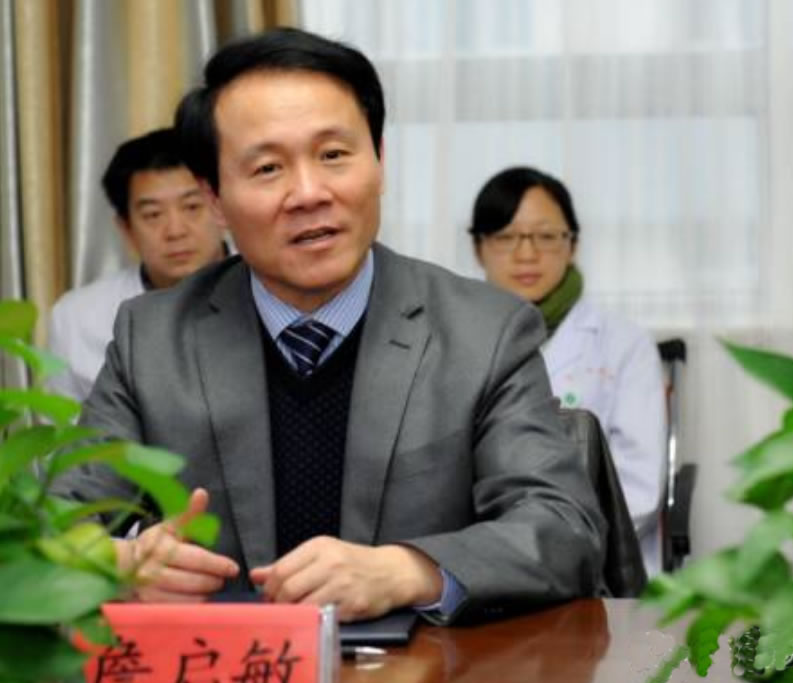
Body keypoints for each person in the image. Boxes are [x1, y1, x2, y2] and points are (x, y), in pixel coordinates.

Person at [56, 28, 604, 623]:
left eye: (334, 155)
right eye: (268, 167)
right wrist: (120, 562)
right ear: (214, 199)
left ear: (380, 160)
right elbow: (52, 526)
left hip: (428, 671)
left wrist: (407, 570)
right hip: (232, 669)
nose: (309, 193)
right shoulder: (153, 340)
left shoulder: (484, 332)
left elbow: (563, 528)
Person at [469, 166, 666, 574]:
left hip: (597, 565)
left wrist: (550, 546)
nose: (526, 254)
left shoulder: (624, 343)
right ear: (478, 248)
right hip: (481, 562)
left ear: (572, 244)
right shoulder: (451, 340)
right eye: (506, 236)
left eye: (545, 236)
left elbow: (640, 486)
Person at [46, 128, 226, 401]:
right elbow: (65, 425)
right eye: (153, 214)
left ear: (221, 206)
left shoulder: (274, 288)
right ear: (126, 228)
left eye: (192, 207)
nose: (175, 231)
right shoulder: (77, 319)